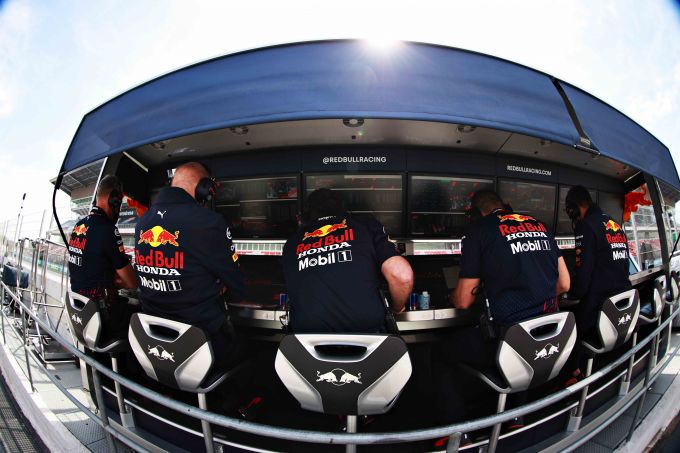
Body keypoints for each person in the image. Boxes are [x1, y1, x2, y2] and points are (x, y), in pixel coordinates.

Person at [435, 190, 570, 436]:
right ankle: (516, 413)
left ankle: (455, 433)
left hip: (508, 342)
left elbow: (463, 301)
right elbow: (564, 284)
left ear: (477, 213)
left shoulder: (479, 231)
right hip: (549, 337)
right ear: (504, 206)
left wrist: (451, 297)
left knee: (441, 352)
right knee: (524, 329)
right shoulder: (539, 225)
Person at [134, 162, 244, 362]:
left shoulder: (142, 223)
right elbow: (235, 281)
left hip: (153, 340)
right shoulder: (209, 222)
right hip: (202, 343)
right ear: (203, 187)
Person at [281, 188, 413, 333]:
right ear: (343, 208)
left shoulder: (292, 242)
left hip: (305, 338)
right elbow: (402, 276)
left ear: (306, 214)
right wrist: (397, 308)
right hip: (368, 335)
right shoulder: (366, 226)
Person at [68, 175, 137, 340]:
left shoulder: (78, 226)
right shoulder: (108, 230)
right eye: (119, 203)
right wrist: (118, 280)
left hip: (81, 313)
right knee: (141, 315)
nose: (119, 209)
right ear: (113, 199)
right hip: (104, 316)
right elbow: (132, 283)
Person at [564, 186, 631, 354]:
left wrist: (569, 294)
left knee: (568, 331)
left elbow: (583, 274)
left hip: (599, 311)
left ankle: (577, 368)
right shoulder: (614, 224)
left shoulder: (586, 225)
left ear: (575, 207)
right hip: (621, 307)